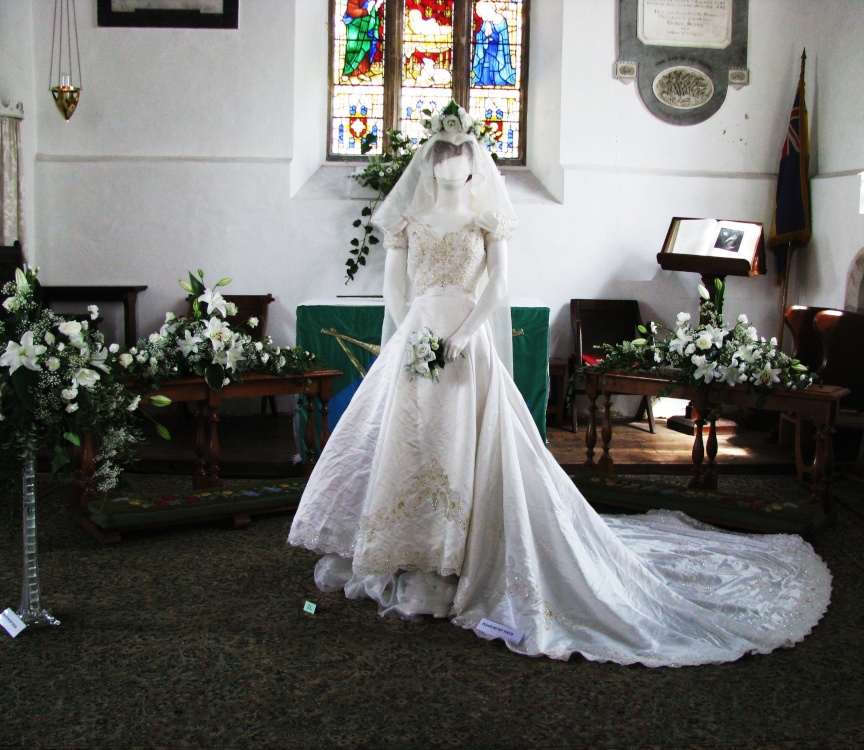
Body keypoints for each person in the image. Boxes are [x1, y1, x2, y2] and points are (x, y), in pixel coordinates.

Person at [288, 105, 831, 667]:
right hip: (418, 346)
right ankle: (408, 555)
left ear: (474, 165)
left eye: (460, 154)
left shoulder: (488, 222)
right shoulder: (405, 222)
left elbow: (497, 288)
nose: (451, 162)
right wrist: (413, 338)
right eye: (443, 155)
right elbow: (395, 291)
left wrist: (464, 336)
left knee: (463, 448)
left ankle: (461, 557)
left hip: (468, 348)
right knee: (410, 445)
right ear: (430, 162)